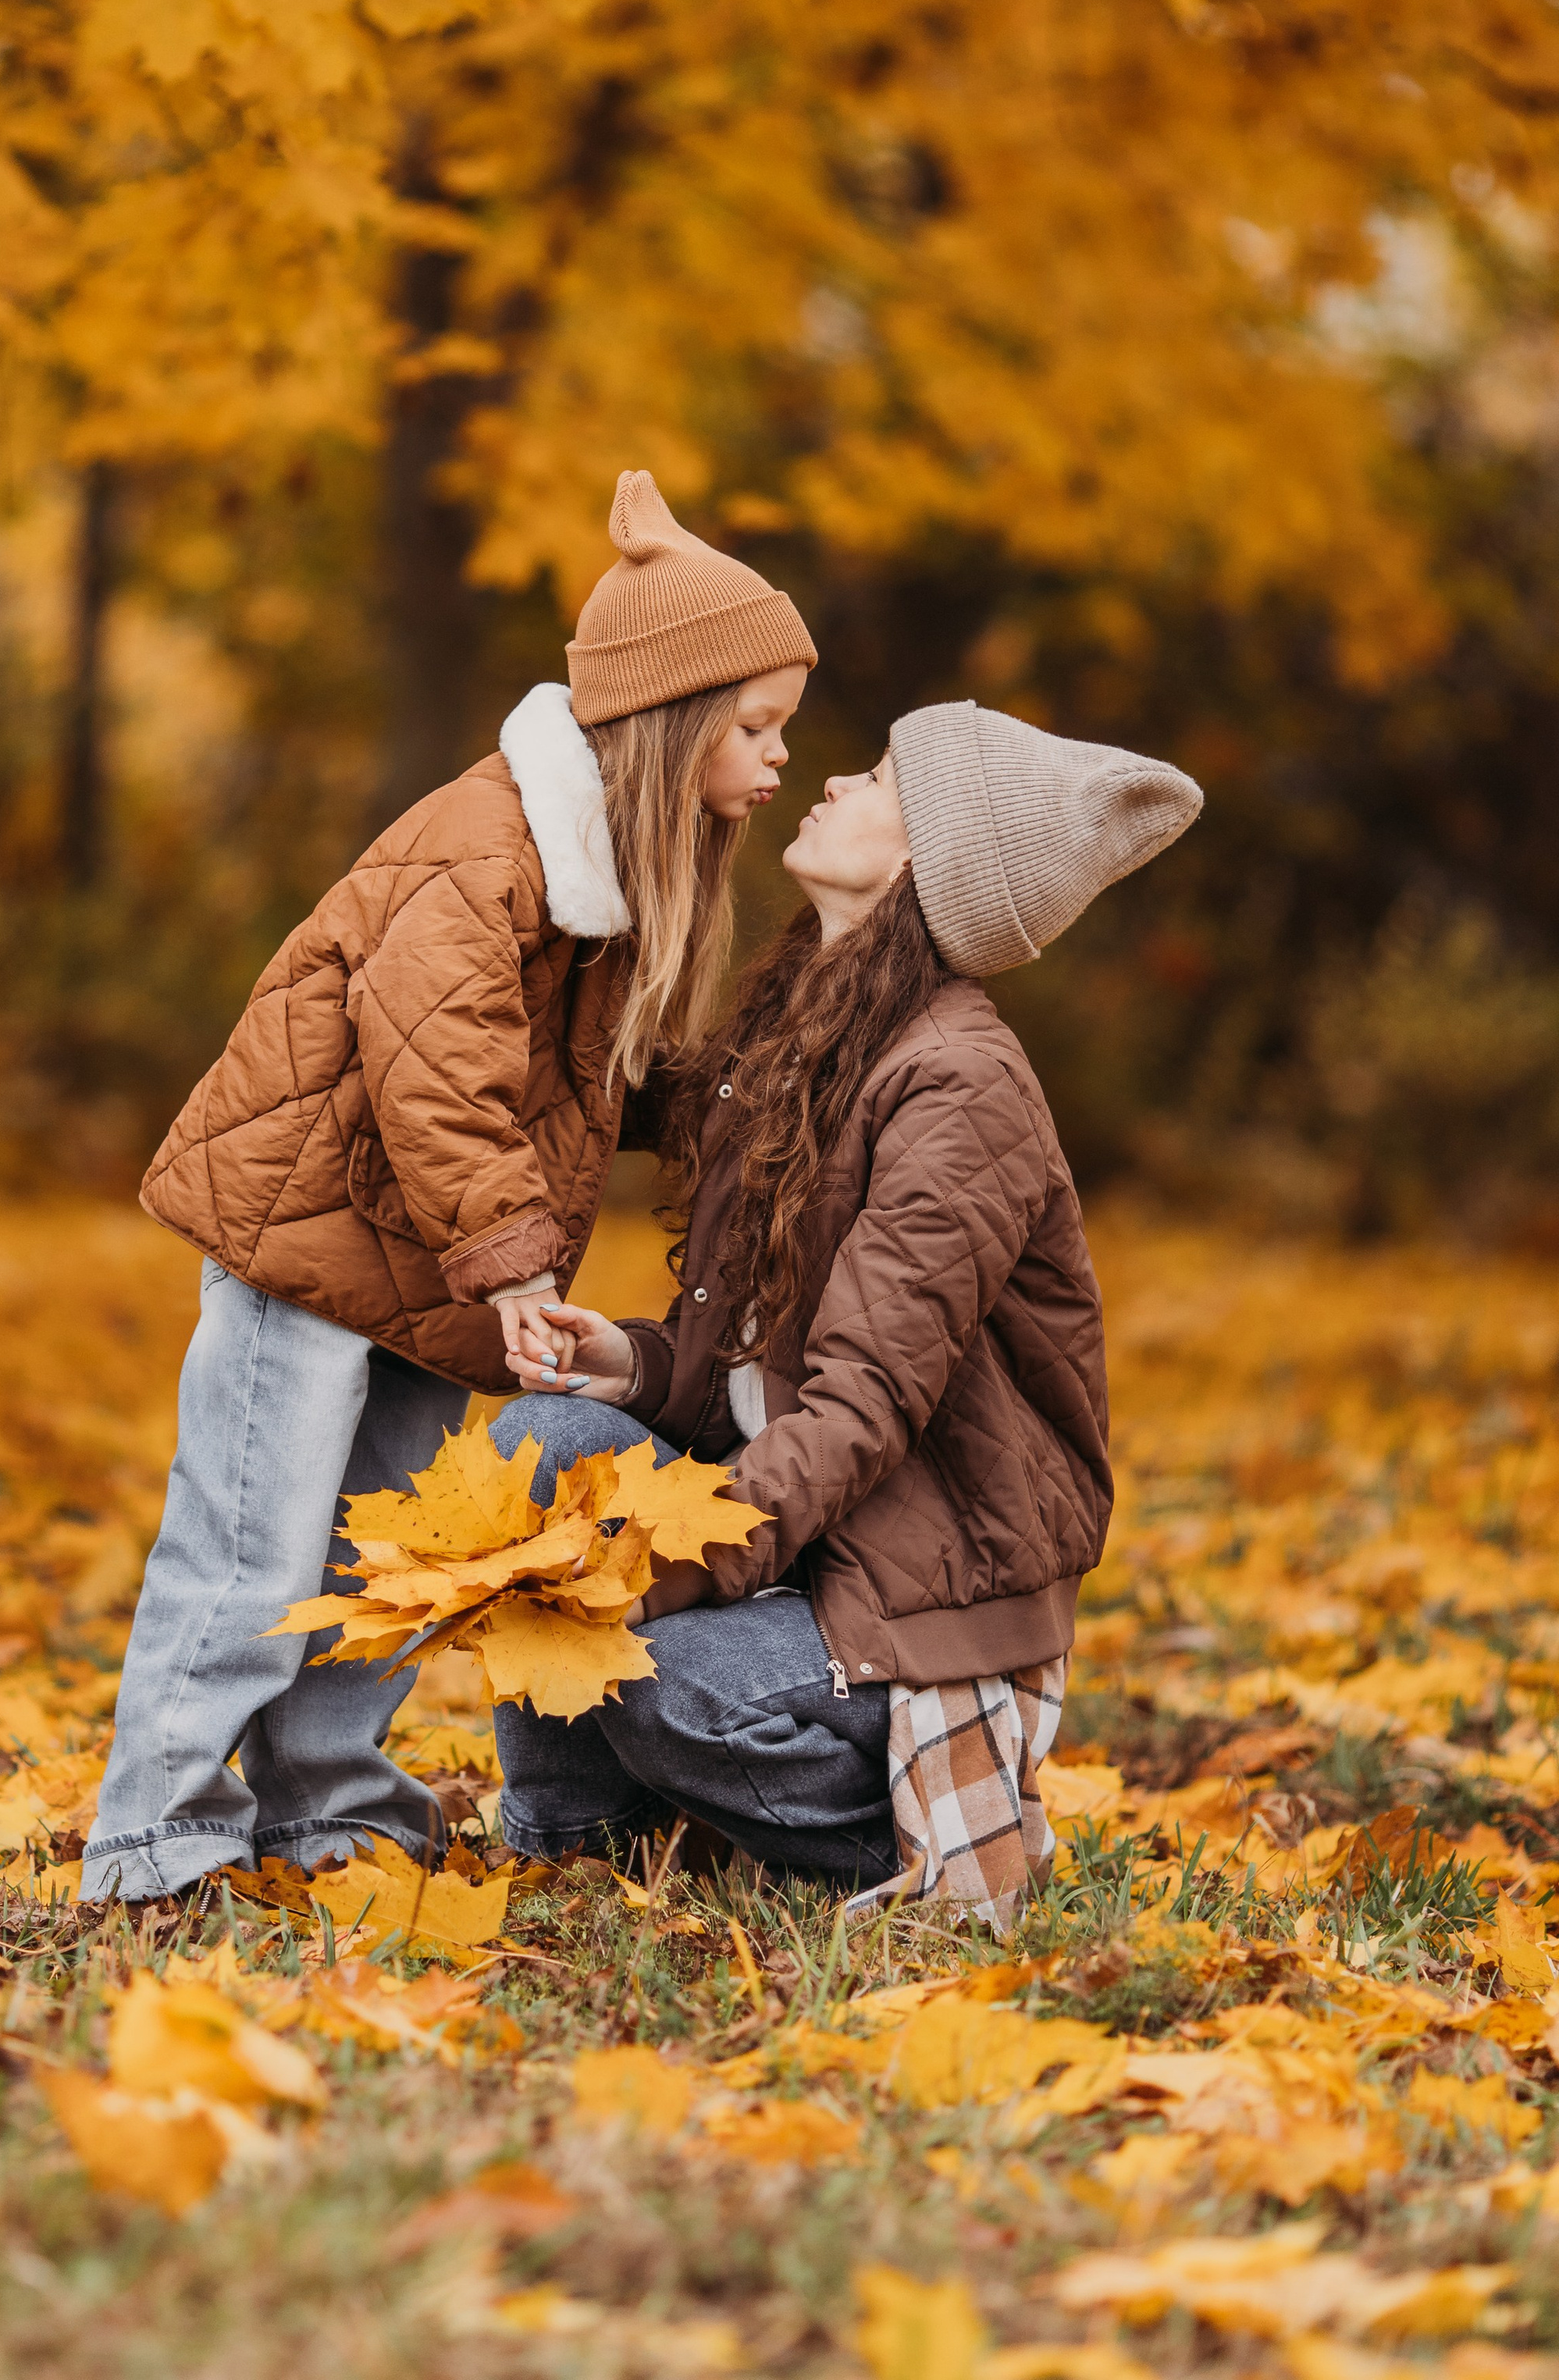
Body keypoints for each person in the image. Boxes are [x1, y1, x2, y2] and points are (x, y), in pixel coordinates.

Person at [80, 471, 818, 1902]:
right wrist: (517, 1268)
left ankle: (330, 1810)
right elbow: (438, 1072)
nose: (780, 760)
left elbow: (589, 1075)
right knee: (248, 1551)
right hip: (312, 1244)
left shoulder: (598, 881)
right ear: (669, 729)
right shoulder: (489, 851)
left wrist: (744, 1103)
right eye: (756, 729)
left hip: (420, 1268)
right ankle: (152, 1830)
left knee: (376, 1559)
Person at [492, 701, 1202, 1924]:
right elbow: (756, 1373)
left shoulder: (961, 1088)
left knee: (653, 1674)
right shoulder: (807, 1040)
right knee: (536, 1456)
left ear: (930, 854)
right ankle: (575, 1844)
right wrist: (637, 1366)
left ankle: (902, 1817)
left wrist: (645, 1574)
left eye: (875, 776)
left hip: (905, 1611)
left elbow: (858, 1410)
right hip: (808, 1550)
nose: (828, 781)